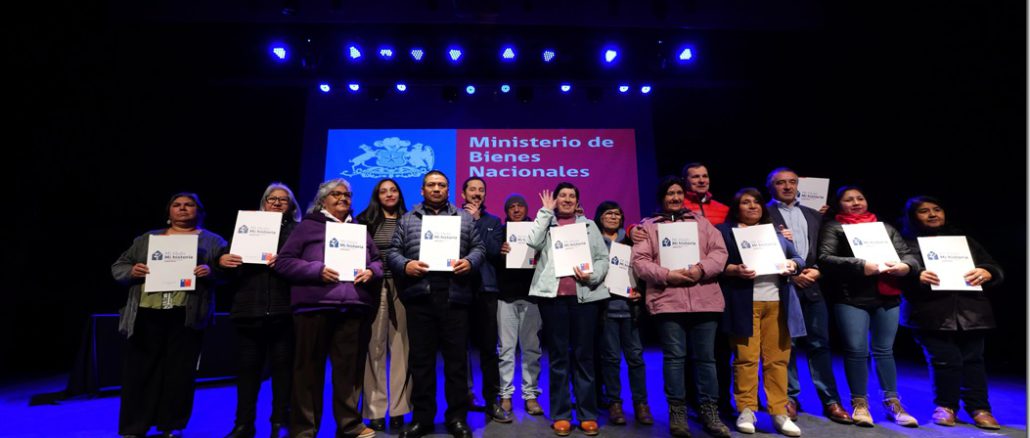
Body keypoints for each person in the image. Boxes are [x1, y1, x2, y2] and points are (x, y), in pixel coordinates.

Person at [111, 192, 227, 438]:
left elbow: (227, 272)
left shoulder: (213, 241)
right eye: (177, 205)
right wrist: (132, 270)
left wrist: (211, 271)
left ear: (199, 211)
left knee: (180, 374)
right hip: (146, 312)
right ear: (169, 212)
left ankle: (171, 426)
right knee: (139, 372)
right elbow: (119, 266)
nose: (182, 208)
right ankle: (134, 427)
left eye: (189, 205)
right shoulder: (148, 239)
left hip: (186, 314)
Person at [275, 178, 381, 438]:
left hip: (353, 307)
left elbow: (378, 261)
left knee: (349, 372)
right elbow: (284, 262)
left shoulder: (358, 229)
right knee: (308, 371)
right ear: (323, 200)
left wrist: (371, 271)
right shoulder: (307, 226)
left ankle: (349, 425)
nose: (343, 198)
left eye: (347, 195)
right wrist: (316, 270)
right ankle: (304, 429)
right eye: (336, 194)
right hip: (314, 307)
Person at [631, 176, 732, 438]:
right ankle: (678, 412)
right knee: (675, 359)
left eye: (678, 193)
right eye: (669, 193)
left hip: (705, 300)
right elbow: (640, 262)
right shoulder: (648, 227)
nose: (675, 198)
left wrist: (700, 270)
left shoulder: (701, 223)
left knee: (706, 359)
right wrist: (668, 275)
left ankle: (710, 411)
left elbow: (719, 253)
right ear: (661, 198)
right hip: (668, 301)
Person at [387, 170, 485, 438]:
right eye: (431, 185)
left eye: (442, 185)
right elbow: (393, 252)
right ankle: (423, 419)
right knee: (421, 362)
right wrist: (406, 265)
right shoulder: (408, 219)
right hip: (420, 297)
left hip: (455, 297)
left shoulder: (464, 218)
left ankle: (457, 418)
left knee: (456, 363)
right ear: (422, 190)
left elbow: (479, 249)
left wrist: (470, 262)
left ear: (448, 190)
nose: (437, 189)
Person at [818, 185, 919, 427]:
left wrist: (906, 266)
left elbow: (908, 255)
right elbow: (825, 258)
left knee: (884, 351)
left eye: (860, 198)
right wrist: (861, 265)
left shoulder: (884, 227)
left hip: (887, 295)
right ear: (839, 204)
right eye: (849, 199)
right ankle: (860, 403)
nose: (855, 203)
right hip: (851, 297)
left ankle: (893, 402)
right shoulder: (834, 227)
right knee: (856, 350)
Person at [900, 196, 1003, 430]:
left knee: (973, 361)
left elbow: (994, 267)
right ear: (912, 217)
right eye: (924, 211)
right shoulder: (906, 244)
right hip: (929, 313)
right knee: (945, 360)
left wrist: (988, 272)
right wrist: (915, 276)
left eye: (937, 209)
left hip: (972, 312)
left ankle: (980, 409)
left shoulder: (964, 241)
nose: (932, 214)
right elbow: (894, 276)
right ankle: (946, 407)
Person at [765, 167, 852, 424]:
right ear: (770, 187)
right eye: (781, 183)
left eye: (792, 182)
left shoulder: (814, 214)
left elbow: (825, 251)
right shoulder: (763, 214)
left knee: (819, 344)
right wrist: (791, 275)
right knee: (786, 345)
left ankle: (831, 401)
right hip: (781, 287)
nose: (787, 186)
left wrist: (818, 271)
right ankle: (788, 398)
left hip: (813, 287)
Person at [717, 188, 806, 437]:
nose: (753, 206)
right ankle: (746, 409)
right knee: (746, 359)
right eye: (746, 202)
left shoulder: (774, 233)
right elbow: (717, 264)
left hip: (777, 302)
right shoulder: (725, 232)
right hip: (744, 304)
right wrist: (734, 270)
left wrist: (793, 264)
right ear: (736, 208)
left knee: (777, 360)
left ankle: (779, 412)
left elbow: (798, 258)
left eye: (756, 202)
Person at [527, 183, 610, 437]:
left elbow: (602, 258)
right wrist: (545, 212)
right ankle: (561, 414)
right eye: (562, 195)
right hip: (553, 300)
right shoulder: (547, 224)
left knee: (584, 356)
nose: (567, 199)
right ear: (555, 200)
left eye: (572, 196)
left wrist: (592, 275)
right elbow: (532, 242)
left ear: (577, 201)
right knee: (559, 357)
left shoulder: (589, 226)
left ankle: (587, 414)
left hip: (585, 299)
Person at [220, 183, 302, 438]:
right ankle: (243, 424)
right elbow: (228, 263)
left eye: (283, 199)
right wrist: (222, 260)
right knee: (247, 372)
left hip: (284, 310)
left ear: (291, 206)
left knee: (283, 371)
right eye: (271, 198)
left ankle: (280, 422)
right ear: (264, 202)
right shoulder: (247, 227)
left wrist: (288, 262)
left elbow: (307, 265)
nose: (276, 203)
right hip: (249, 309)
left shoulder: (298, 231)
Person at [355, 178, 412, 432]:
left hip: (403, 286)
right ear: (376, 196)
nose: (389, 194)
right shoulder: (364, 220)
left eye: (393, 190)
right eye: (383, 191)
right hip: (374, 286)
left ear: (399, 194)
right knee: (374, 348)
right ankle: (375, 410)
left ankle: (399, 409)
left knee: (401, 347)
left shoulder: (410, 219)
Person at [592, 201, 652, 426]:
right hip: (606, 310)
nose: (613, 217)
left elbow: (643, 270)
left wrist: (641, 292)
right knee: (611, 359)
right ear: (600, 217)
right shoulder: (593, 242)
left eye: (617, 214)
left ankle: (641, 404)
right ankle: (614, 403)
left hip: (630, 310)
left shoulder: (631, 241)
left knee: (636, 359)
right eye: (608, 213)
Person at [460, 177, 512, 423]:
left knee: (489, 349)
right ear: (463, 194)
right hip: (459, 290)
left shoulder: (493, 222)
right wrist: (468, 220)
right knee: (458, 349)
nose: (477, 193)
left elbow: (492, 251)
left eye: (481, 190)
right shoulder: (453, 219)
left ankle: (492, 401)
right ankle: (462, 398)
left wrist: (476, 222)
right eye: (472, 189)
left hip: (486, 290)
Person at [496, 194, 544, 416]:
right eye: (511, 207)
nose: (516, 210)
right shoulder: (500, 232)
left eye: (520, 206)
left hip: (532, 296)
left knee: (531, 349)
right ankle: (505, 395)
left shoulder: (538, 231)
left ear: (526, 209)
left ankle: (530, 395)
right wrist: (499, 251)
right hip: (505, 297)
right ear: (507, 211)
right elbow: (491, 258)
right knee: (505, 349)